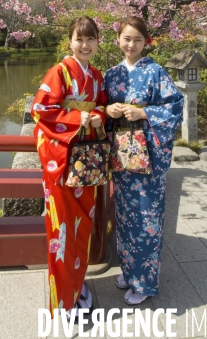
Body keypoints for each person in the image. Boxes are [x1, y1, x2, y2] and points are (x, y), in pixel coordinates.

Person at [105, 16, 184, 305]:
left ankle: (146, 283)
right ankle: (130, 271)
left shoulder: (156, 72)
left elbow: (175, 107)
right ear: (118, 40)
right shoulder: (111, 74)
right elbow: (100, 107)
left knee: (146, 217)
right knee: (125, 215)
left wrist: (145, 113)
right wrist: (107, 109)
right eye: (126, 38)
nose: (131, 44)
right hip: (122, 156)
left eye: (138, 39)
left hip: (148, 158)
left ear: (146, 42)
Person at [32, 16, 107, 318]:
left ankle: (78, 283)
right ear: (70, 42)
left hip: (85, 163)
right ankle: (62, 301)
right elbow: (41, 110)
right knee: (62, 230)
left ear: (98, 41)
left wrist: (100, 113)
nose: (85, 45)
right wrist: (79, 118)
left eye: (91, 39)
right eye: (79, 39)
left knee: (83, 226)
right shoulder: (59, 72)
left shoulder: (97, 77)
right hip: (62, 164)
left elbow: (102, 104)